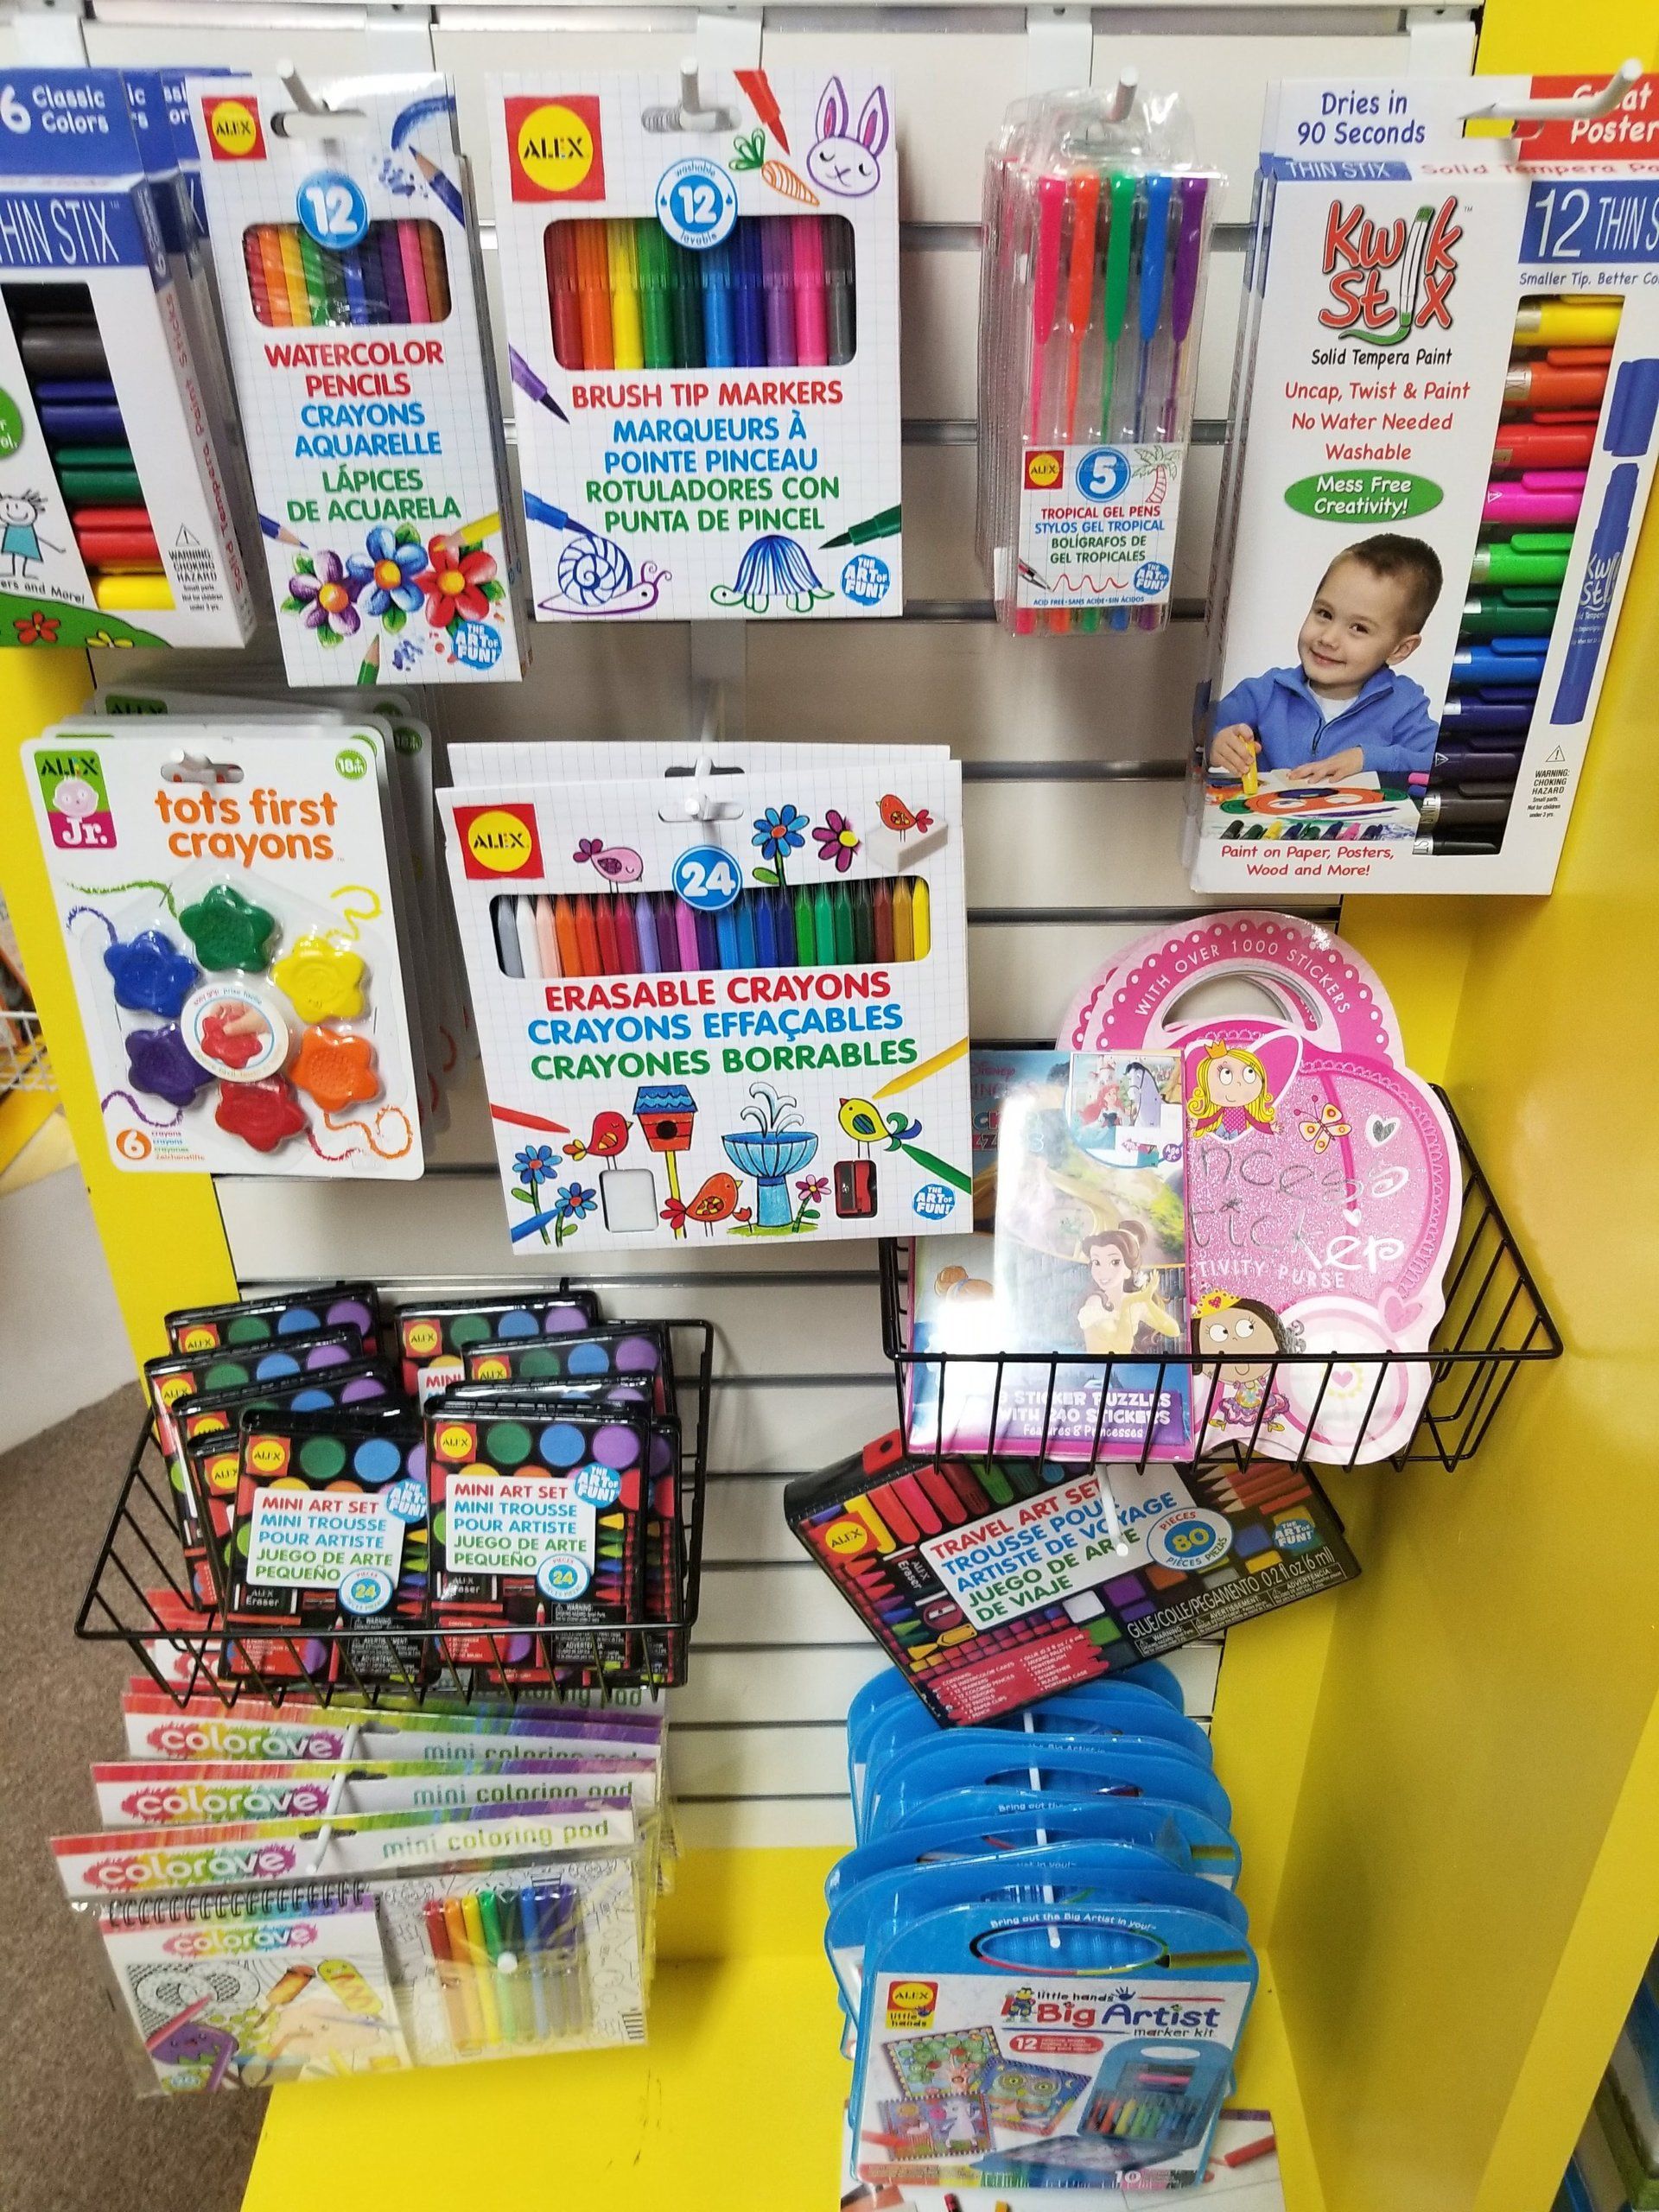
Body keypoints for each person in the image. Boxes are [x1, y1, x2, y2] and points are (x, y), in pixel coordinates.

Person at [1208, 533, 1443, 784]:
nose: (1328, 638)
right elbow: (1200, 732)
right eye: (1324, 613)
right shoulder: (1264, 693)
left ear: (1400, 649)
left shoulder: (1405, 705)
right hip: (1270, 821)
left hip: (1360, 823)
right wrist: (1217, 744)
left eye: (1359, 628)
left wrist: (1366, 759)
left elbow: (1438, 762)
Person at [1076, 1223, 1180, 1357]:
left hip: (1126, 1372)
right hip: (1100, 1371)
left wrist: (1147, 1300)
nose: (1103, 1271)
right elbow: (1120, 1348)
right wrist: (1128, 1303)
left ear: (1129, 1271)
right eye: (1097, 1262)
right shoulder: (1095, 1302)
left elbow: (1173, 1330)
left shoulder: (1135, 1301)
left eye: (1114, 1262)